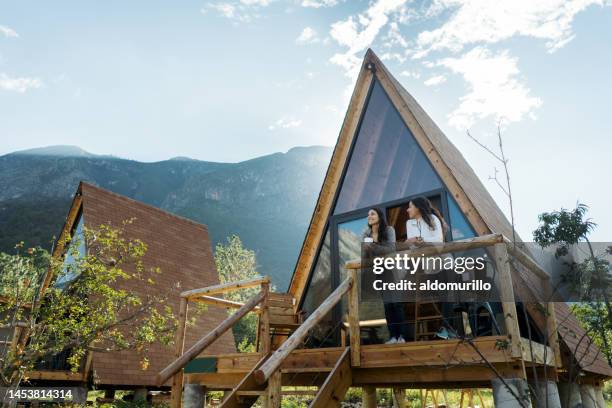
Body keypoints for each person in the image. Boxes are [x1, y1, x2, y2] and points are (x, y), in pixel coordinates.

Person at [405, 197, 457, 339]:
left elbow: (438, 242)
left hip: (445, 263)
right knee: (440, 299)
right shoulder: (410, 224)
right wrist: (416, 243)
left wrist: (420, 241)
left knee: (447, 297)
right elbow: (412, 245)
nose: (407, 209)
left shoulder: (433, 218)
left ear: (418, 207)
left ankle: (447, 330)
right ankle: (447, 330)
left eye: (410, 206)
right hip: (430, 268)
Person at [362, 208, 408, 344]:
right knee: (387, 305)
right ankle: (393, 336)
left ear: (379, 216)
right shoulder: (366, 234)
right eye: (368, 214)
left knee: (396, 304)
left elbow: (390, 249)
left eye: (372, 213)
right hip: (379, 271)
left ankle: (402, 336)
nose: (369, 216)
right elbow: (366, 257)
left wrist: (373, 247)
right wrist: (365, 249)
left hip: (392, 270)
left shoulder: (389, 230)